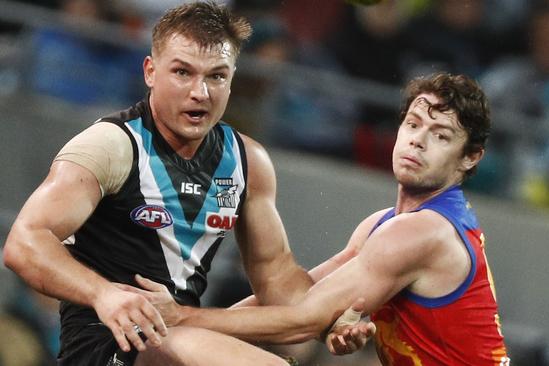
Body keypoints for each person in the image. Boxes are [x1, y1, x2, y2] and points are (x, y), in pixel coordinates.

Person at [2, 2, 371, 366]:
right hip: (107, 347)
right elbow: (23, 243)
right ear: (150, 71)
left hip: (178, 338)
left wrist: (331, 324)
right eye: (183, 72)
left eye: (217, 76)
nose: (201, 92)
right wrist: (104, 295)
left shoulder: (248, 161)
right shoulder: (111, 145)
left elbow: (278, 281)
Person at [123, 72, 511, 365]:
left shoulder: (422, 232)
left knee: (183, 344)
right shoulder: (384, 224)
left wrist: (182, 317)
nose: (417, 141)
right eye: (413, 124)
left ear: (470, 157)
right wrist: (173, 325)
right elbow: (299, 297)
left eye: (441, 136)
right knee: (174, 345)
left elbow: (300, 322)